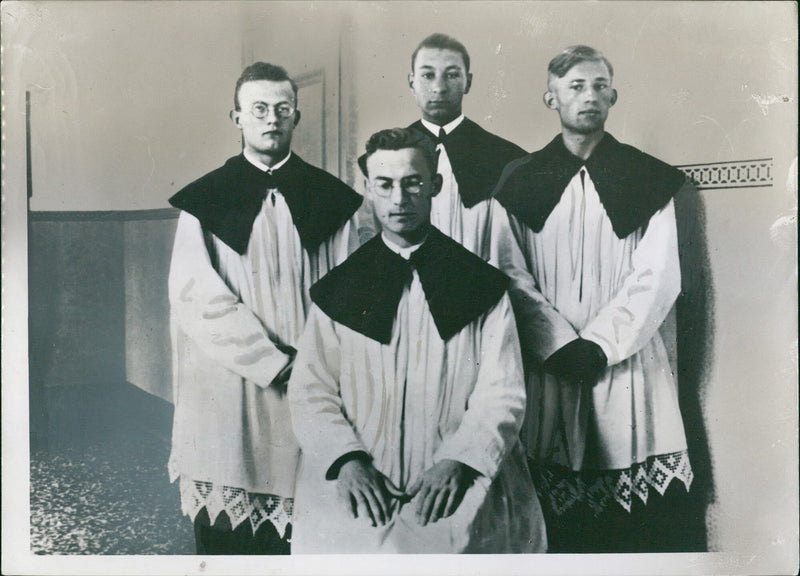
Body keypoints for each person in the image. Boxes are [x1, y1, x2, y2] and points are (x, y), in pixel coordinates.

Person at [288, 128, 546, 554]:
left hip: (457, 477)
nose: (399, 199)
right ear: (368, 189)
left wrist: (458, 462)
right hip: (363, 478)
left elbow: (502, 392)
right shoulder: (340, 288)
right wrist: (347, 462)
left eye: (412, 182)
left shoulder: (480, 284)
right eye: (385, 185)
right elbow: (311, 388)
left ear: (435, 186)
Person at [492, 45, 695, 552]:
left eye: (600, 86)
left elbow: (658, 274)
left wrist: (601, 344)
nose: (590, 96)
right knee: (553, 516)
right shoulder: (519, 181)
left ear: (614, 96)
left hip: (626, 362)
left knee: (631, 522)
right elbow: (509, 273)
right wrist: (558, 342)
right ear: (551, 97)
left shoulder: (649, 177)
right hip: (549, 363)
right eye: (576, 86)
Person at [167, 62, 362, 555]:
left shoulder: (331, 199)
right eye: (258, 109)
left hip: (312, 379)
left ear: (296, 116)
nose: (271, 118)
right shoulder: (203, 201)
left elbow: (350, 289)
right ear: (236, 118)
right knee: (230, 537)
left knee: (312, 528)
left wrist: (314, 365)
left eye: (281, 108)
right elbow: (197, 296)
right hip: (231, 385)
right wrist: (274, 363)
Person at [360, 33, 526, 260]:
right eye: (428, 75)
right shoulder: (381, 160)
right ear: (411, 82)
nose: (439, 87)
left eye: (452, 75)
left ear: (468, 82)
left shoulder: (506, 158)